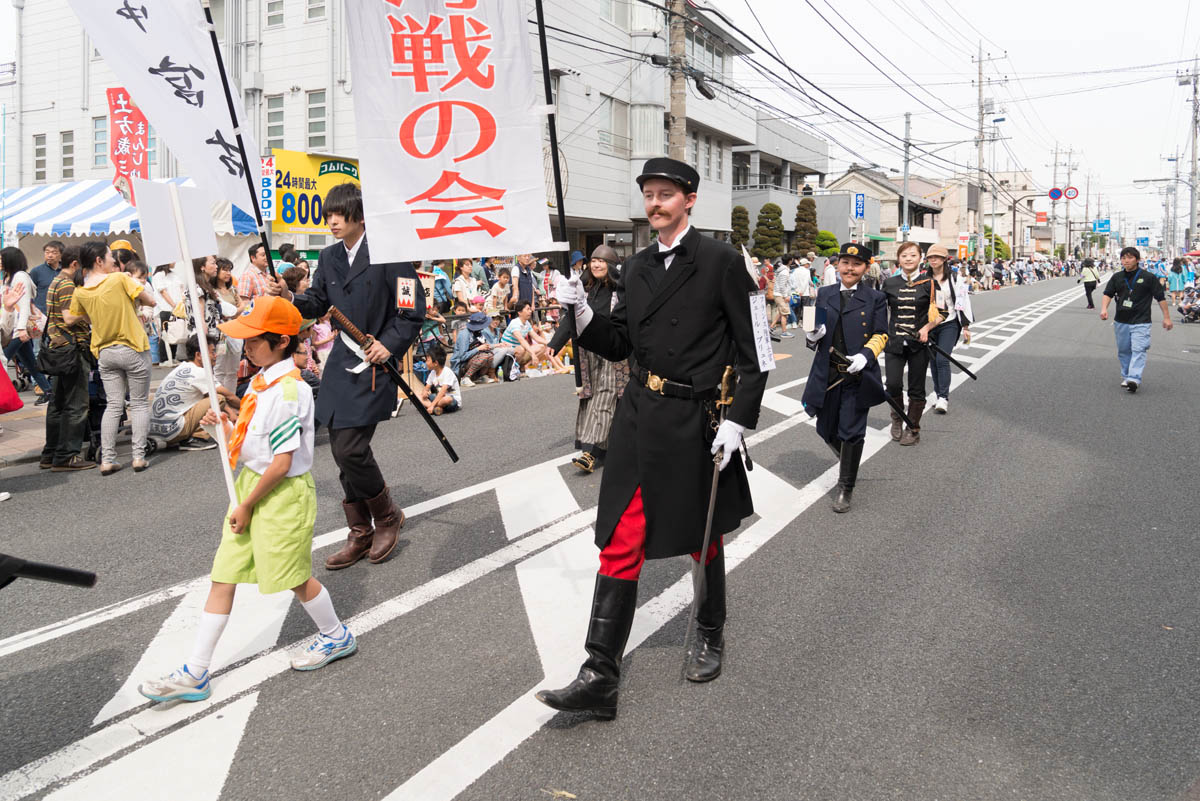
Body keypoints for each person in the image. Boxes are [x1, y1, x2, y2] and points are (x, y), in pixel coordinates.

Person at [538, 156, 767, 719]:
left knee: (702, 535)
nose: (655, 203)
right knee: (619, 535)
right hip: (639, 413)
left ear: (690, 199)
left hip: (696, 419)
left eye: (666, 194)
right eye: (648, 194)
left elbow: (756, 351)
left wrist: (738, 420)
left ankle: (709, 632)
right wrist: (583, 314)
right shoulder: (635, 268)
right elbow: (621, 343)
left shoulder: (722, 262)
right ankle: (599, 674)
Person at [137, 297, 356, 704]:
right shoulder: (260, 383)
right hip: (252, 488)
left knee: (293, 577)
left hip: (279, 494)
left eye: (255, 339)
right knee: (223, 575)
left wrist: (247, 504)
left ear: (281, 342)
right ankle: (196, 672)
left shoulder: (289, 391)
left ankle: (336, 635)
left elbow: (282, 461)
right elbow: (254, 438)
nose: (247, 346)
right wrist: (225, 423)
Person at [270, 182, 425, 570]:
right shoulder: (328, 256)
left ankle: (386, 516)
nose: (332, 222)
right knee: (341, 451)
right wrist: (289, 297)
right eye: (328, 216)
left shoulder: (392, 254)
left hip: (375, 363)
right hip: (340, 364)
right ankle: (360, 531)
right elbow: (318, 301)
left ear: (359, 215)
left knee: (351, 449)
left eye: (339, 214)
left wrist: (388, 345)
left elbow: (411, 312)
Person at [801, 242, 888, 513]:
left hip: (856, 374)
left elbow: (881, 332)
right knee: (825, 429)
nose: (850, 269)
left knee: (851, 432)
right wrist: (812, 333)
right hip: (826, 373)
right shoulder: (824, 292)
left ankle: (845, 487)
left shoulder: (875, 297)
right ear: (837, 265)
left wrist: (865, 356)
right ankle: (849, 462)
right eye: (845, 263)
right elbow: (811, 329)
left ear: (865, 268)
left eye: (856, 264)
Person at [63, 241, 158, 474]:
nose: (113, 262)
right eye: (109, 258)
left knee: (113, 405)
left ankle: (107, 459)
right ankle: (138, 457)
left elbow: (72, 318)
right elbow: (152, 301)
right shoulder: (119, 279)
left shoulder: (82, 291)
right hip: (133, 346)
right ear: (99, 261)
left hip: (104, 352)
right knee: (137, 404)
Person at [569, 244, 630, 473]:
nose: (596, 264)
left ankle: (592, 453)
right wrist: (554, 344)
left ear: (612, 265)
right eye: (593, 260)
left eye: (601, 261)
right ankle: (603, 443)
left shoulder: (621, 293)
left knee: (605, 398)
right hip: (589, 354)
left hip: (612, 354)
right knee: (590, 397)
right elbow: (572, 320)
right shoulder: (584, 290)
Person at [39, 246, 95, 471]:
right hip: (72, 350)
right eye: (83, 266)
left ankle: (50, 454)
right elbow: (69, 317)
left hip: (59, 349)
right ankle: (67, 456)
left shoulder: (55, 282)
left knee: (57, 404)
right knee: (76, 405)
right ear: (75, 265)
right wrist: (92, 309)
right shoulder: (67, 285)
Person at [880, 241, 935, 445]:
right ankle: (897, 417)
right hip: (894, 342)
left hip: (918, 344)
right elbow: (878, 310)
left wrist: (927, 328)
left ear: (920, 258)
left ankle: (913, 427)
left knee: (916, 388)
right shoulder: (889, 283)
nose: (909, 259)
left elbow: (941, 313)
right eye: (904, 255)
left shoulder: (929, 283)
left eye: (913, 255)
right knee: (892, 383)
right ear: (899, 259)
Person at [1100, 246, 1173, 393]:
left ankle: (1134, 378)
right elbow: (1108, 293)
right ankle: (1127, 376)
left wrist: (1166, 317)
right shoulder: (1117, 277)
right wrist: (1104, 309)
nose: (1126, 261)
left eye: (1130, 257)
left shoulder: (1148, 277)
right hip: (1121, 320)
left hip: (1141, 321)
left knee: (1139, 349)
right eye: (1123, 258)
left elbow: (1160, 297)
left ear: (1138, 260)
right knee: (1124, 350)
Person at [149, 334, 241, 450]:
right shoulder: (200, 372)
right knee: (218, 398)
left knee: (212, 397)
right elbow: (228, 396)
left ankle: (186, 436)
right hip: (173, 431)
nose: (215, 356)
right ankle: (196, 438)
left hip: (156, 430)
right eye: (212, 352)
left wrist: (231, 413)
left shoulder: (182, 368)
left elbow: (208, 395)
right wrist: (249, 411)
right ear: (198, 355)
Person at [1, 247, 53, 404]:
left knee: (3, 361)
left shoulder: (20, 277)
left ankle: (4, 397)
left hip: (18, 329)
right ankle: (49, 391)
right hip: (12, 327)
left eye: (2, 259)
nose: (0, 262)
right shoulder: (8, 278)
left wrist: (22, 329)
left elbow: (24, 306)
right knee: (30, 363)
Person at [925, 244, 973, 414]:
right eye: (930, 257)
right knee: (933, 361)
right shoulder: (924, 278)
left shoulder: (954, 278)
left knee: (942, 359)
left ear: (945, 259)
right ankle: (939, 395)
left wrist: (965, 326)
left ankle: (943, 397)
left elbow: (963, 301)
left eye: (937, 257)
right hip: (930, 325)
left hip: (950, 323)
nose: (933, 260)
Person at [151, 262, 186, 366]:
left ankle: (173, 357)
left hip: (177, 308)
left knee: (175, 333)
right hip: (165, 308)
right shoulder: (158, 275)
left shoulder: (173, 274)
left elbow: (181, 288)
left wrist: (181, 303)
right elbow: (163, 292)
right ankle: (164, 359)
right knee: (165, 333)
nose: (175, 262)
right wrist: (173, 305)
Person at [451, 311, 498, 386]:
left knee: (490, 355)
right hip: (461, 365)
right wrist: (478, 349)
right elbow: (462, 356)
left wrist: (487, 347)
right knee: (484, 356)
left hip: (473, 359)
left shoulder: (478, 332)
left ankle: (479, 376)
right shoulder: (464, 334)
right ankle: (465, 378)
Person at [417, 344, 461, 415]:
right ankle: (438, 408)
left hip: (451, 400)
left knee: (447, 399)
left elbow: (443, 392)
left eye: (428, 361)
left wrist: (431, 405)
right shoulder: (432, 373)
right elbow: (426, 388)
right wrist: (424, 392)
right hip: (438, 397)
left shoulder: (447, 372)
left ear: (435, 363)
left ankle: (434, 407)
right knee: (418, 396)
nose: (426, 363)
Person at [29, 240, 64, 316]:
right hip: (42, 314)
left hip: (62, 314)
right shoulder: (36, 271)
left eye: (54, 253)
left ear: (61, 255)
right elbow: (30, 293)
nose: (50, 255)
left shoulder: (66, 271)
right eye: (47, 252)